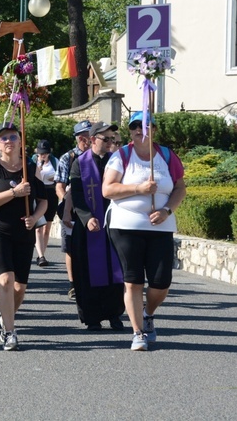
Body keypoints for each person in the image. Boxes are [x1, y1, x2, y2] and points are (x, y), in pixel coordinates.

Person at [102, 112, 186, 351]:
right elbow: (107, 190)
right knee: (133, 280)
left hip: (161, 225)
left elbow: (180, 188)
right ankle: (138, 332)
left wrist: (167, 210)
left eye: (145, 126)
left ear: (154, 130)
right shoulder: (122, 156)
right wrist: (139, 188)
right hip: (125, 225)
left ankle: (148, 313)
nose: (140, 130)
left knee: (161, 282)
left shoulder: (167, 156)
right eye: (135, 126)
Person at [0, 123, 47, 351]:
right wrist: (13, 193)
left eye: (13, 137)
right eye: (3, 138)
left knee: (20, 287)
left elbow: (45, 201)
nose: (8, 141)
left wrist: (35, 217)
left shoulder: (30, 168)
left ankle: (5, 315)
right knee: (5, 280)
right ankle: (10, 331)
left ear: (20, 142)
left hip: (23, 232)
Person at [69, 122, 125, 331]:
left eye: (113, 139)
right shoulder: (79, 163)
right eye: (106, 139)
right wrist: (87, 217)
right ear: (93, 140)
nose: (111, 142)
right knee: (86, 273)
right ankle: (92, 316)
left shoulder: (117, 162)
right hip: (88, 227)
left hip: (113, 224)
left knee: (115, 270)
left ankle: (114, 314)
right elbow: (77, 194)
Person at [55, 120, 93, 300]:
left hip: (94, 207)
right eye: (86, 136)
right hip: (72, 208)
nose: (89, 139)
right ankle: (73, 284)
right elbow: (60, 185)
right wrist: (66, 206)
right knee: (71, 248)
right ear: (79, 138)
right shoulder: (67, 158)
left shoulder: (98, 156)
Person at [32, 139, 58, 267]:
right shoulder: (33, 162)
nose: (43, 155)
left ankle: (42, 254)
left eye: (45, 153)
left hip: (51, 193)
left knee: (47, 227)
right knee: (38, 228)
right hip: (38, 194)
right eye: (41, 153)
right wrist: (38, 170)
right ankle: (41, 256)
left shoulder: (54, 161)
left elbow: (59, 177)